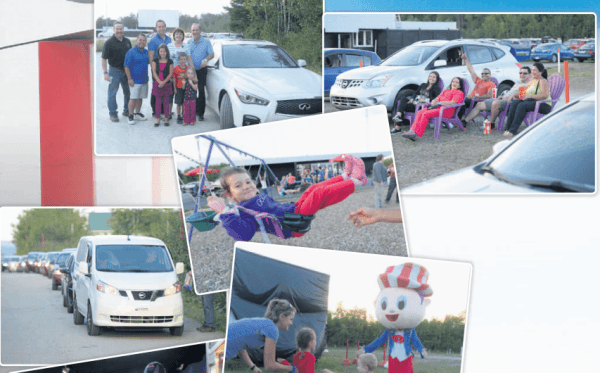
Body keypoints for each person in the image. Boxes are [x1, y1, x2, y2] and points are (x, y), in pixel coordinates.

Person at [207, 154, 367, 241]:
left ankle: (345, 176)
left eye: (248, 181)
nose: (246, 186)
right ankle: (357, 181)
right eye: (238, 186)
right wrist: (225, 212)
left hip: (293, 210)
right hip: (292, 225)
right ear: (229, 194)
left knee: (313, 189)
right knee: (319, 194)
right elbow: (243, 235)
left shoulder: (254, 197)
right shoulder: (240, 212)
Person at [225, 299, 297, 373]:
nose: (291, 323)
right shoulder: (272, 329)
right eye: (291, 319)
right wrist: (293, 369)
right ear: (282, 316)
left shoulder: (264, 323)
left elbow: (241, 344)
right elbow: (269, 365)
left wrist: (253, 367)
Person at [462, 66, 532, 130]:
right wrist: (503, 96)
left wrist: (510, 97)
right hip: (503, 99)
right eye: (520, 73)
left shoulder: (528, 84)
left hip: (510, 102)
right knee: (479, 104)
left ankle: (491, 124)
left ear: (529, 75)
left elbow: (522, 97)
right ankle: (465, 121)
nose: (522, 74)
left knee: (495, 103)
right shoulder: (518, 82)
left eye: (524, 73)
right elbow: (510, 92)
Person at [502, 62, 552, 138]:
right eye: (532, 70)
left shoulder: (542, 81)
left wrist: (531, 96)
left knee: (522, 105)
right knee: (515, 102)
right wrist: (514, 95)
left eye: (534, 70)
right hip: (533, 102)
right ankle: (507, 128)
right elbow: (522, 92)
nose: (532, 72)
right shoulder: (532, 81)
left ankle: (513, 130)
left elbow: (545, 95)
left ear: (540, 72)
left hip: (544, 104)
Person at [101, 23, 132, 122]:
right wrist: (105, 72)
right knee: (112, 93)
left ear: (123, 29)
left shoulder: (127, 41)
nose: (119, 31)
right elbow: (103, 59)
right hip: (114, 70)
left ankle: (127, 110)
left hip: (126, 70)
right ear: (114, 30)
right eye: (117, 29)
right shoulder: (109, 42)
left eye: (121, 29)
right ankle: (113, 113)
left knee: (127, 92)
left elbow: (131, 56)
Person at [456, 53, 496, 125]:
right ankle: (453, 118)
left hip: (477, 101)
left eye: (486, 73)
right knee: (458, 100)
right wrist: (465, 59)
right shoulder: (479, 80)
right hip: (470, 99)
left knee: (462, 101)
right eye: (482, 74)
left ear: (490, 74)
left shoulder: (491, 84)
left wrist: (476, 97)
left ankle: (457, 120)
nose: (483, 75)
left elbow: (489, 95)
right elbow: (471, 70)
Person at [187, 23, 215, 121]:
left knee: (201, 91)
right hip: (191, 70)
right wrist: (192, 70)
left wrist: (206, 60)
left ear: (200, 31)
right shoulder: (189, 42)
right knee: (192, 91)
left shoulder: (206, 41)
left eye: (197, 30)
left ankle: (201, 113)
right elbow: (188, 56)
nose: (195, 32)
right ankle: (193, 111)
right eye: (193, 30)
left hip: (202, 70)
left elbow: (212, 54)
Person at [148, 20, 172, 118]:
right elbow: (151, 57)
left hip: (166, 68)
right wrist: (154, 71)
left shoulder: (169, 40)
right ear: (156, 28)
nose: (161, 28)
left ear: (165, 27)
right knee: (156, 89)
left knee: (165, 88)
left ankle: (163, 110)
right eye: (159, 27)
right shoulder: (152, 41)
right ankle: (155, 110)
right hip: (157, 68)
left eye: (163, 26)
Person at [124, 34, 149, 125]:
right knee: (133, 98)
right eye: (140, 40)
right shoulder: (131, 52)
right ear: (136, 40)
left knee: (140, 97)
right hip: (134, 81)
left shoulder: (146, 52)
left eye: (144, 40)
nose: (142, 42)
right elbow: (126, 67)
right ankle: (130, 115)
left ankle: (137, 113)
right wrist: (129, 78)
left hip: (144, 80)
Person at [151, 44, 174, 127]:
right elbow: (154, 72)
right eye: (161, 51)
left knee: (166, 103)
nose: (163, 53)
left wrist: (163, 82)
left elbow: (170, 73)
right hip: (157, 84)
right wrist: (159, 82)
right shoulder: (155, 60)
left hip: (166, 84)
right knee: (158, 102)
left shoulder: (170, 61)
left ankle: (166, 119)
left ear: (167, 52)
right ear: (159, 52)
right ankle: (158, 119)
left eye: (164, 51)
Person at [173, 53, 190, 125]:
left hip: (185, 88)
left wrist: (186, 84)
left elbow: (189, 78)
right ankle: (178, 115)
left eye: (184, 59)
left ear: (186, 60)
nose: (183, 61)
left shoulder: (188, 68)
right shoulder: (176, 68)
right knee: (178, 103)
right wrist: (174, 88)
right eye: (181, 59)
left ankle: (184, 115)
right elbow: (174, 78)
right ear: (179, 60)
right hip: (178, 88)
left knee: (184, 103)